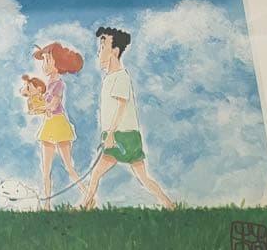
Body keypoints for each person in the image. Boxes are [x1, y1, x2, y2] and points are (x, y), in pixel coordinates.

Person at [82, 27, 175, 210]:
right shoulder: (109, 78)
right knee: (99, 173)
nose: (100, 52)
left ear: (115, 51)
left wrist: (110, 134)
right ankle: (87, 204)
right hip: (116, 134)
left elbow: (121, 107)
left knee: (141, 177)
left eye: (103, 47)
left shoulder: (121, 77)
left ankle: (168, 203)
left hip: (124, 136)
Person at [32, 42, 87, 210]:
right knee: (45, 169)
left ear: (58, 64)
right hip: (49, 125)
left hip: (59, 124)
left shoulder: (58, 84)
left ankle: (88, 195)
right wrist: (38, 108)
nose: (44, 64)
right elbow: (47, 106)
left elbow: (53, 105)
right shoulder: (49, 83)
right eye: (44, 60)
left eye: (48, 60)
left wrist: (40, 108)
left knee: (69, 167)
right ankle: (47, 204)